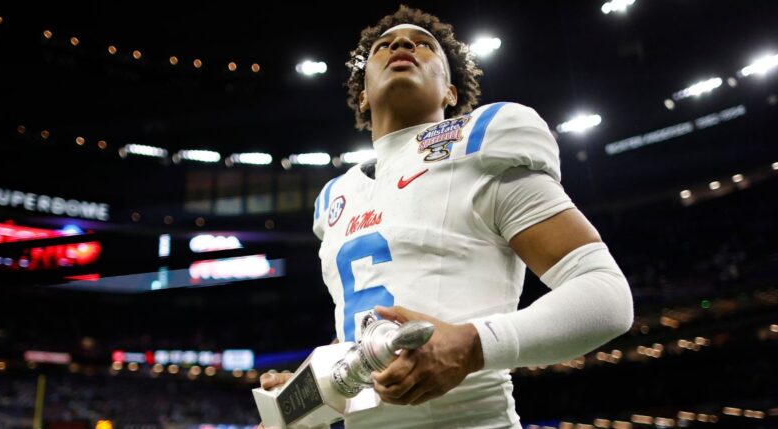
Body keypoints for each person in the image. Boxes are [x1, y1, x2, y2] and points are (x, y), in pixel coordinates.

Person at [260, 5, 634, 428]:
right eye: (384, 45)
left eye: (424, 44)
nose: (402, 44)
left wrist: (474, 345)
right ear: (362, 93)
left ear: (450, 92)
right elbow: (366, 338)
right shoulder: (337, 198)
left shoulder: (480, 143)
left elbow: (607, 296)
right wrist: (314, 388)